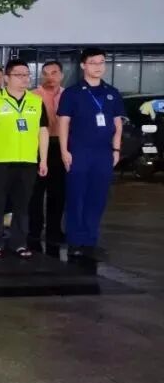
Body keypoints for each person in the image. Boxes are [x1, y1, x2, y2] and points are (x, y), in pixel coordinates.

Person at [58, 47, 124, 259]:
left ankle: (90, 239)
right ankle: (75, 240)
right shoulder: (72, 93)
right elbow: (63, 124)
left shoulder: (112, 92)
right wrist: (64, 151)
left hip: (103, 153)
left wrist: (116, 149)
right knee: (76, 196)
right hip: (79, 151)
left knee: (98, 197)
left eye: (101, 62)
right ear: (83, 65)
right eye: (93, 63)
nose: (98, 67)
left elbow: (118, 124)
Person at [0, 59, 49, 258]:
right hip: (0, 160)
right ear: (7, 78)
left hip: (28, 160)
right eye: (19, 75)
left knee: (23, 204)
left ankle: (19, 242)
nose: (24, 79)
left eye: (26, 75)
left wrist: (43, 159)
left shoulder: (36, 102)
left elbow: (43, 131)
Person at [29, 60, 66, 251]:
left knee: (58, 192)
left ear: (62, 75)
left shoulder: (69, 95)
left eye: (54, 73)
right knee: (35, 192)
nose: (50, 77)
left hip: (61, 147)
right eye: (46, 73)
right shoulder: (32, 96)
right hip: (37, 147)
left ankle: (54, 230)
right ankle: (34, 230)